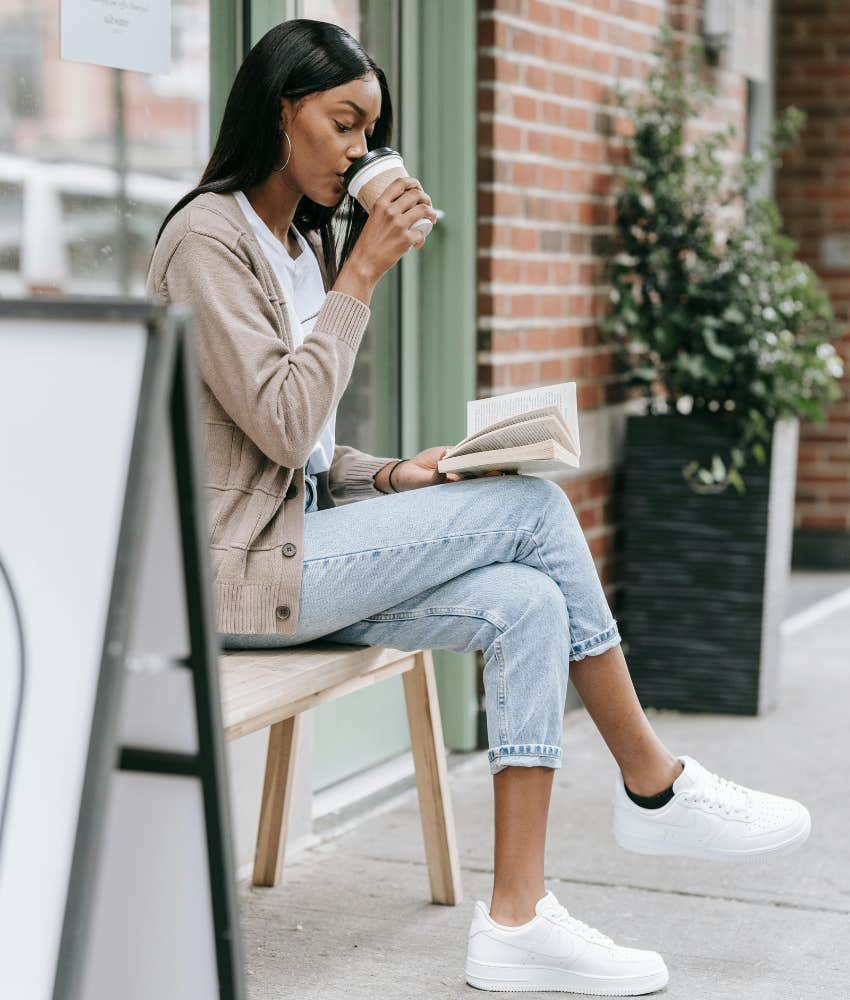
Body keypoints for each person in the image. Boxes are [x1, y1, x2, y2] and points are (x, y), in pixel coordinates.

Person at [146, 19, 811, 997]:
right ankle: (652, 781)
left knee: (526, 602)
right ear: (280, 111)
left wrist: (391, 476)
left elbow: (305, 453)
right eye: (342, 123)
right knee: (534, 516)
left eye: (371, 130)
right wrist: (363, 273)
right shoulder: (208, 236)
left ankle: (516, 919)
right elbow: (284, 427)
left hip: (297, 550)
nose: (360, 151)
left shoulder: (295, 247)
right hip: (234, 577)